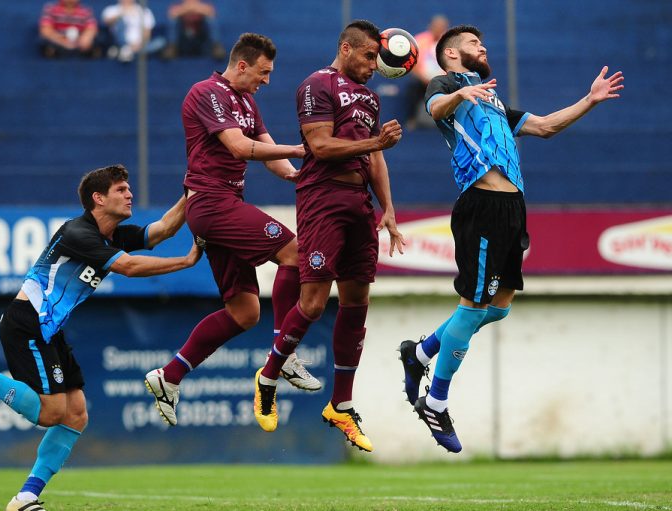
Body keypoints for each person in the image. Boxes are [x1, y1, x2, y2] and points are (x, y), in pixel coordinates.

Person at [398, 24, 623, 453]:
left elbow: (545, 127)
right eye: (472, 43)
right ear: (450, 55)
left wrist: (589, 101)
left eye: (482, 43)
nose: (482, 47)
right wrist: (460, 95)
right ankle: (436, 401)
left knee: (498, 309)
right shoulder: (446, 84)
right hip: (481, 204)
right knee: (474, 305)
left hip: (512, 209)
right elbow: (435, 109)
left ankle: (422, 352)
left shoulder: (494, 100)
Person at [0, 164, 202, 511]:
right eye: (121, 189)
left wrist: (192, 192)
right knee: (50, 413)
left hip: (48, 328)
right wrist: (187, 261)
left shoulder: (109, 234)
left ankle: (25, 497)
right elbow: (129, 267)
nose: (130, 194)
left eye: (128, 188)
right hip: (26, 322)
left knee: (76, 414)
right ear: (98, 199)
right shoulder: (78, 233)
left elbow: (161, 230)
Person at [144, 33, 321, 428]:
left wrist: (300, 174)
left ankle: (168, 376)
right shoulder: (207, 91)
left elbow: (270, 156)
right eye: (263, 72)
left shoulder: (248, 101)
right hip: (211, 203)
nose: (267, 80)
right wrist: (296, 149)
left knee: (244, 312)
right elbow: (241, 149)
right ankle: (284, 352)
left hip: (225, 206)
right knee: (295, 251)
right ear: (242, 65)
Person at [252, 20, 405, 452]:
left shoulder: (371, 99)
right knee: (315, 304)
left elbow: (375, 158)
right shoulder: (316, 85)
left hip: (359, 204)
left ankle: (341, 404)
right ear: (346, 48)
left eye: (378, 58)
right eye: (370, 56)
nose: (376, 66)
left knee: (358, 302)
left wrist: (389, 208)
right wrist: (375, 142)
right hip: (323, 198)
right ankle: (268, 375)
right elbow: (320, 147)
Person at [405, 15, 449, 130]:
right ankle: (412, 119)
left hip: (443, 80)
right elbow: (412, 63)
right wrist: (423, 78)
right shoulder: (420, 40)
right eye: (436, 26)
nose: (438, 29)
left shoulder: (449, 42)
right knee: (413, 89)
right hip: (422, 79)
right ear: (430, 26)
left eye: (441, 27)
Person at [161, 0, 227, 60]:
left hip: (200, 40)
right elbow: (172, 14)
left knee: (210, 19)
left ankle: (216, 47)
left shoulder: (206, 6)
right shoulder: (176, 6)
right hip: (183, 40)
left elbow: (211, 12)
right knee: (173, 20)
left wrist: (192, 8)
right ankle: (172, 47)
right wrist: (188, 8)